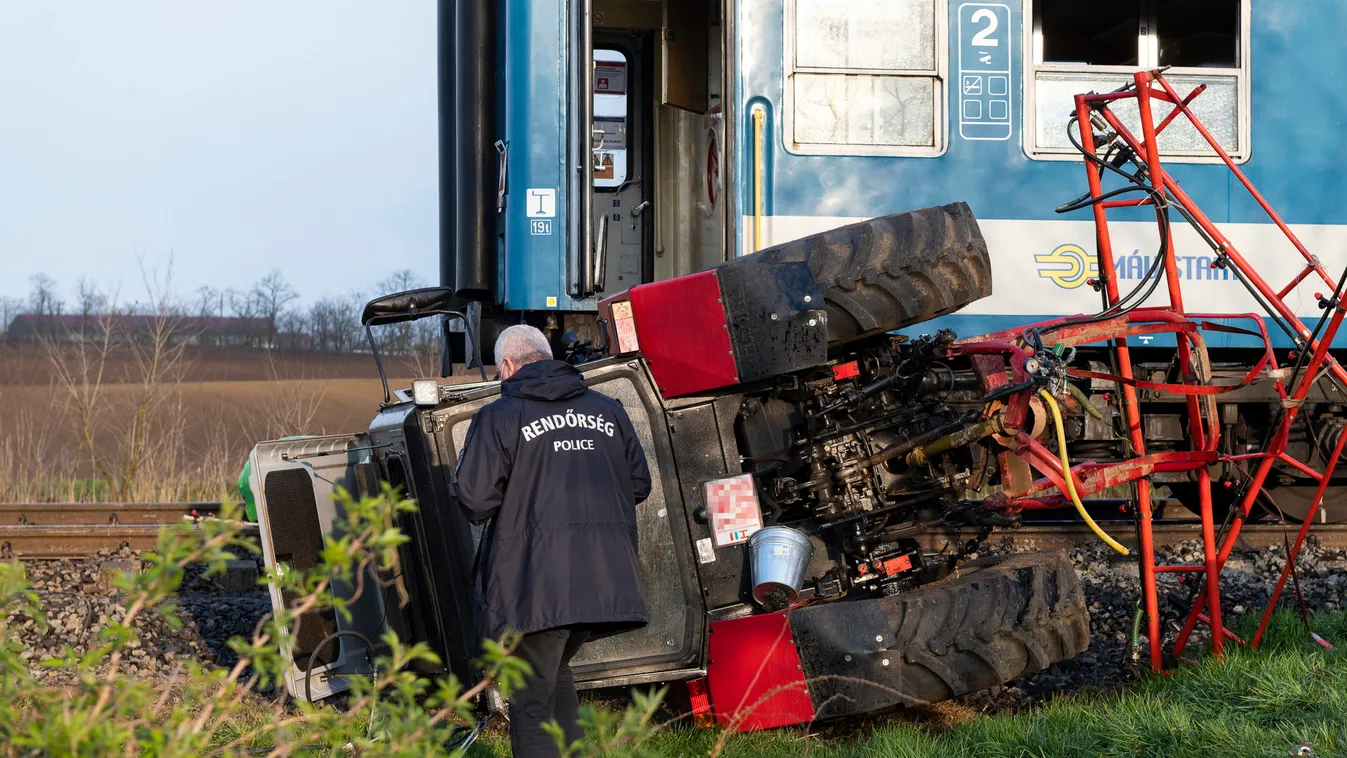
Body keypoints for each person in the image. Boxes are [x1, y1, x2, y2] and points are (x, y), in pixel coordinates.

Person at [455, 324, 651, 757]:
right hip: (605, 580)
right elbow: (638, 484)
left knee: (529, 705)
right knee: (554, 677)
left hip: (536, 587)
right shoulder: (609, 410)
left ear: (507, 366)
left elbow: (474, 500)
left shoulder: (499, 417)